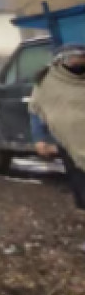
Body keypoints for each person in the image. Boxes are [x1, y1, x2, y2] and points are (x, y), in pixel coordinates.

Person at [30, 44, 85, 213]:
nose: (80, 60)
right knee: (81, 187)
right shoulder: (47, 83)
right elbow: (36, 111)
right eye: (77, 57)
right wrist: (39, 138)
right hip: (68, 144)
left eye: (83, 57)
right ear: (62, 60)